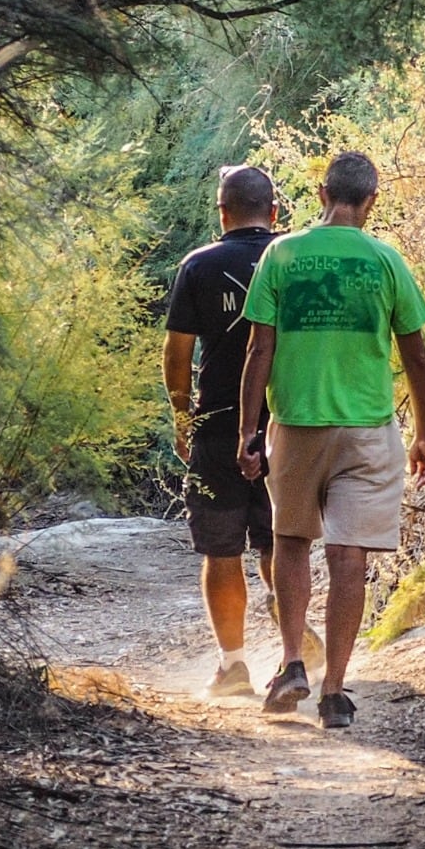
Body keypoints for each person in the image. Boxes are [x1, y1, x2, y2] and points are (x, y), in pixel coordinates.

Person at [236, 150, 425, 729]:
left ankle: (293, 664)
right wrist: (424, 434)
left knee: (291, 541)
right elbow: (417, 358)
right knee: (349, 557)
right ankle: (334, 693)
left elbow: (259, 349)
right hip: (367, 430)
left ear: (321, 194)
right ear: (371, 200)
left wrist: (248, 432)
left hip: (296, 423)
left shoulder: (282, 253)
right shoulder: (386, 261)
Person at [160, 163, 287, 699]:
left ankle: (233, 667)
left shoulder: (199, 265)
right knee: (281, 541)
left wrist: (182, 417)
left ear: (222, 212)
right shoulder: (294, 257)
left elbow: (177, 353)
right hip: (287, 421)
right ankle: (294, 649)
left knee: (222, 548)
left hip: (216, 424)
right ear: (274, 210)